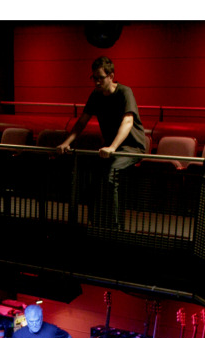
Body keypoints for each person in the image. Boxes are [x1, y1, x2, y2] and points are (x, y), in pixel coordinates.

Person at [57, 56, 148, 228]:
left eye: (101, 78)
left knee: (110, 175)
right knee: (92, 177)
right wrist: (66, 142)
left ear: (111, 76)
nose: (97, 82)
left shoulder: (124, 92)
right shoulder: (96, 95)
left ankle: (113, 227)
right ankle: (96, 222)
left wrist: (113, 147)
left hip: (131, 148)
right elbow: (82, 121)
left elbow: (128, 121)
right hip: (111, 149)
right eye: (94, 78)